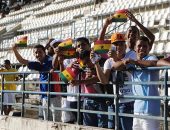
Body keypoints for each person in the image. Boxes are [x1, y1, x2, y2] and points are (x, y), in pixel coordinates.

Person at [92, 32, 136, 130]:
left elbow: (122, 66)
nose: (118, 47)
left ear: (125, 46)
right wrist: (96, 63)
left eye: (121, 44)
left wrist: (115, 58)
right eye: (115, 44)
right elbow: (104, 81)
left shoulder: (131, 54)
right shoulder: (109, 61)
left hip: (129, 100)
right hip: (115, 101)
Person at [116, 36, 160, 130]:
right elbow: (115, 66)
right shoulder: (133, 61)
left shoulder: (151, 57)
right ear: (135, 48)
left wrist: (134, 62)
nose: (142, 48)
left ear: (149, 48)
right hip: (137, 110)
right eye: (139, 46)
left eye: (145, 46)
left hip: (150, 110)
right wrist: (125, 62)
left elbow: (153, 63)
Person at [12, 44, 59, 122]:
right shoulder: (38, 63)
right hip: (44, 95)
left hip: (54, 94)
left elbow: (58, 66)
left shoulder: (51, 60)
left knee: (56, 120)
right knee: (47, 120)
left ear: (45, 52)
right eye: (36, 53)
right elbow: (22, 61)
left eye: (40, 52)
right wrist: (14, 50)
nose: (38, 54)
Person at [53, 37, 91, 124]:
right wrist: (68, 66)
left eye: (84, 45)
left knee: (87, 123)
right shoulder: (69, 61)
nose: (81, 47)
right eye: (79, 46)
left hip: (86, 97)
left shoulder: (93, 58)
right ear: (75, 48)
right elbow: (63, 79)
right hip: (72, 97)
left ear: (89, 46)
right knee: (78, 122)